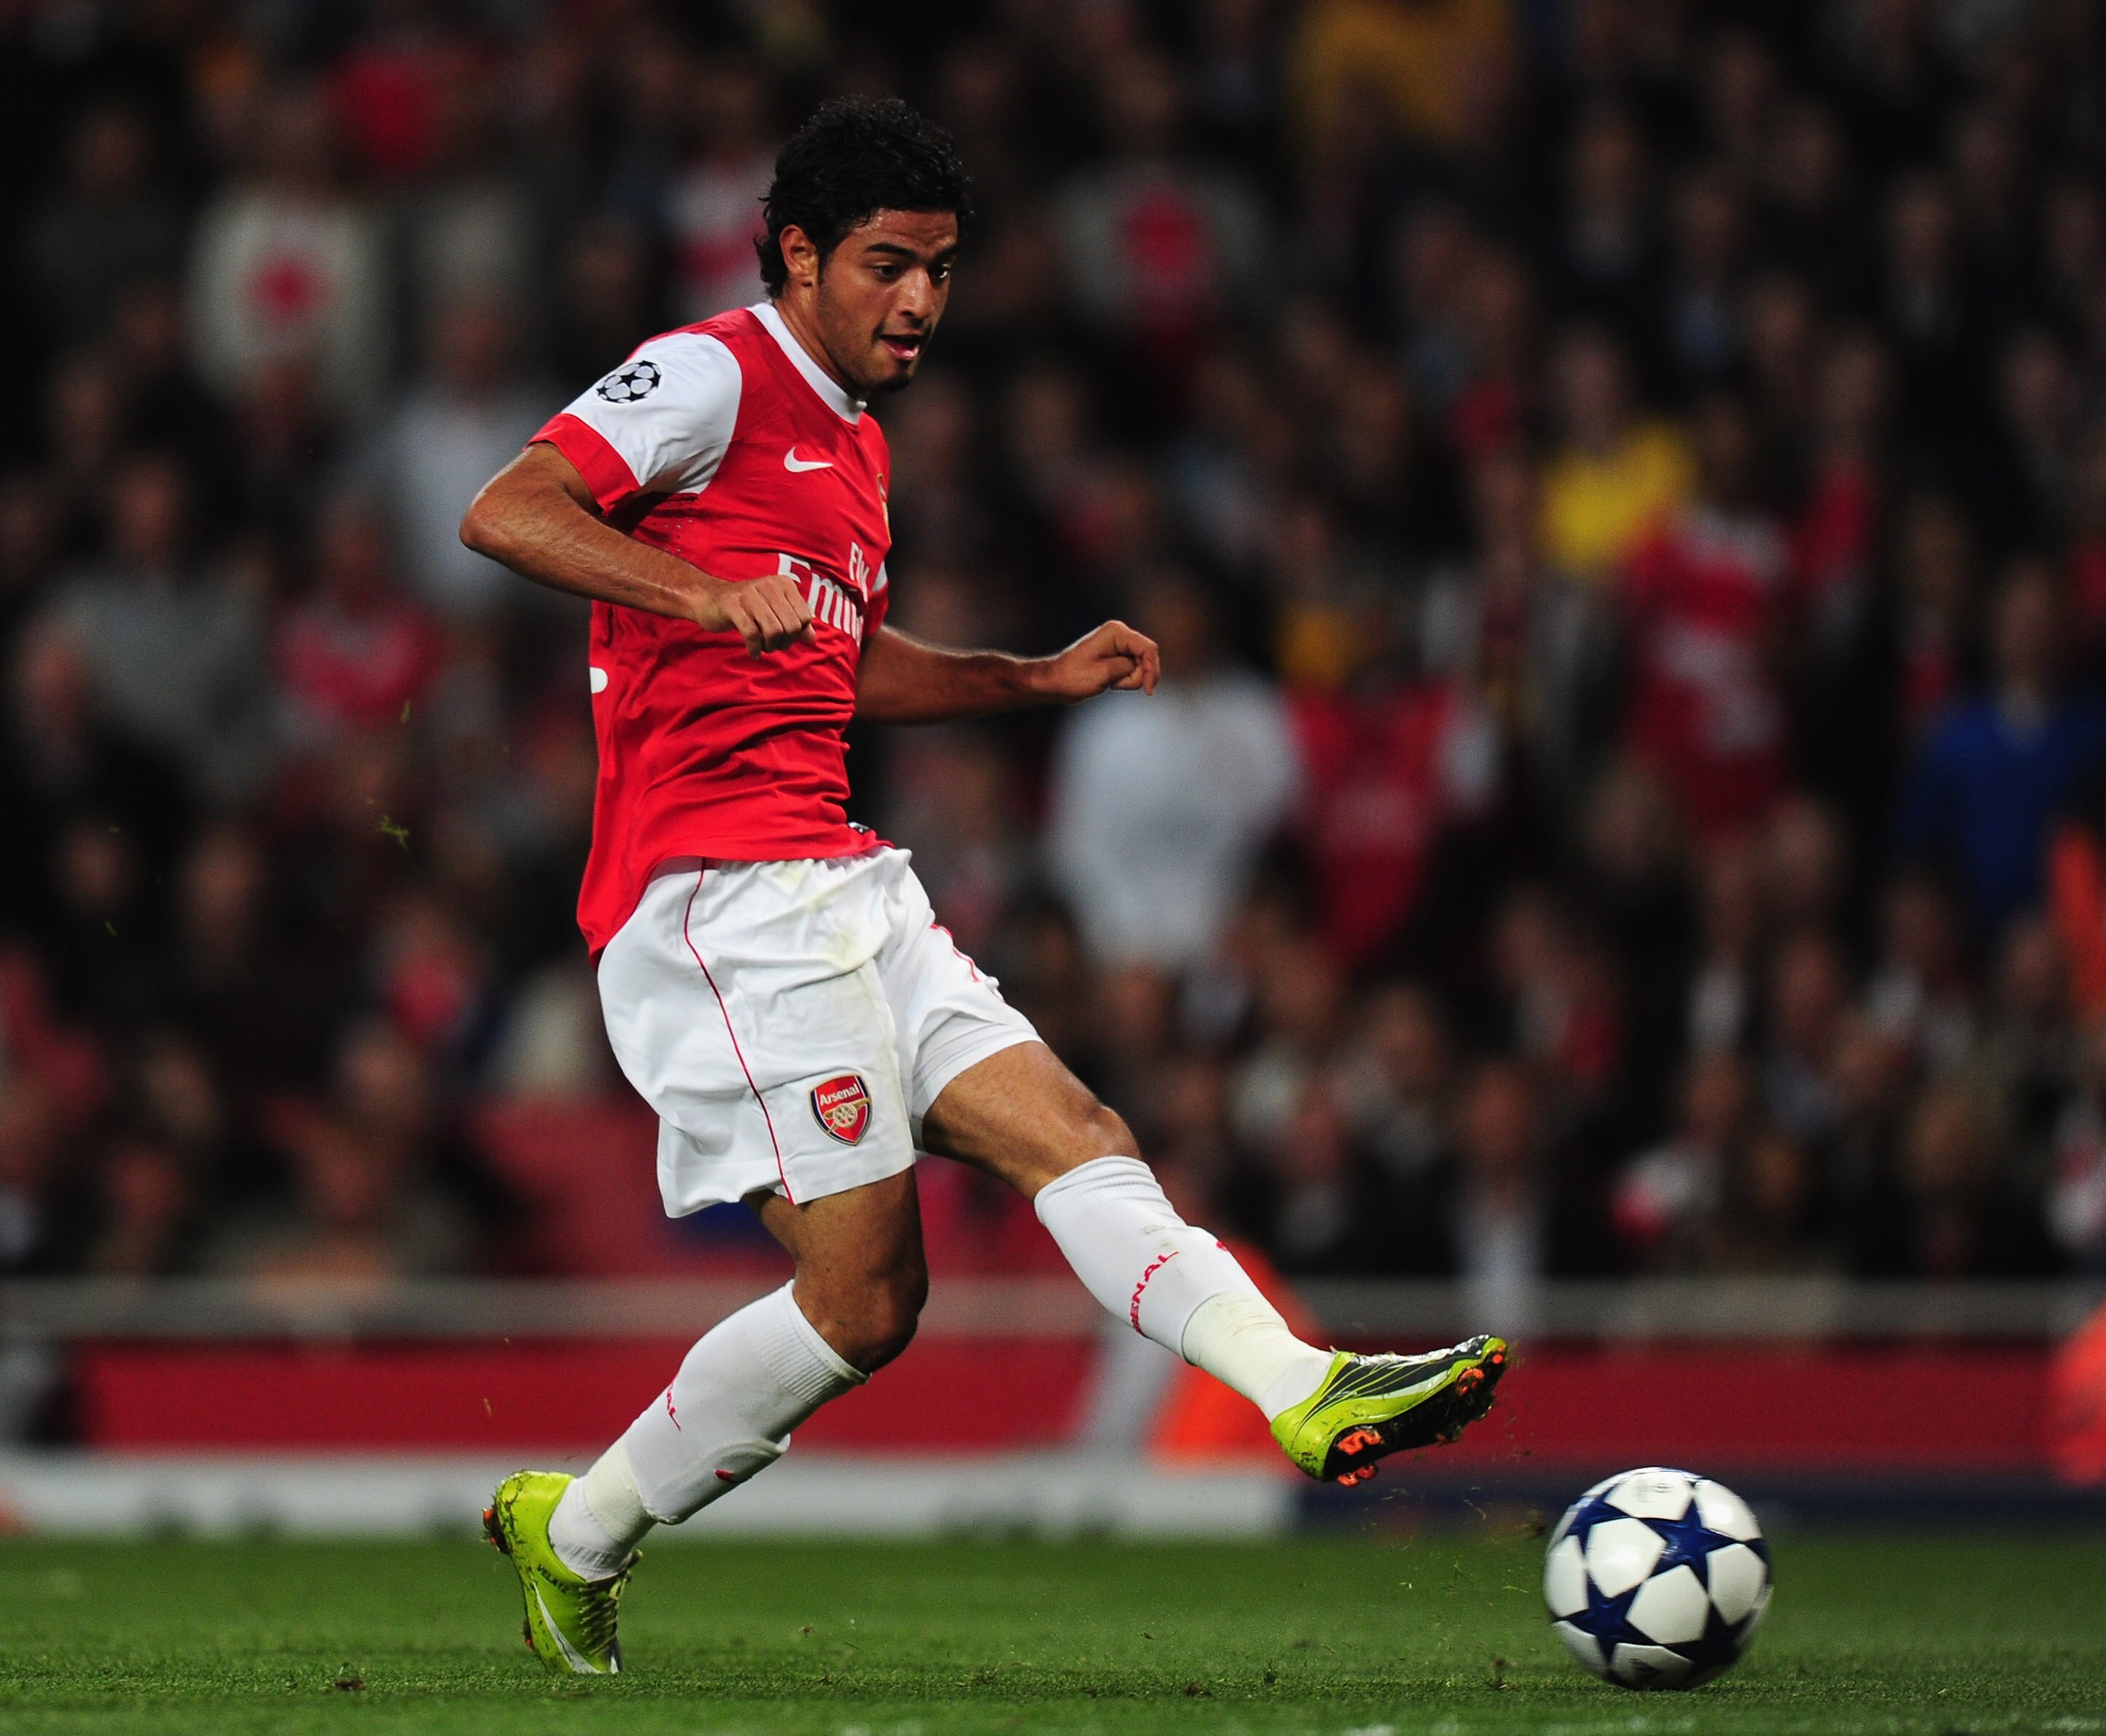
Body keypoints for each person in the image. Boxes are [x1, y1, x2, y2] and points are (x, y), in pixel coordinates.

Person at [457, 98, 1508, 1676]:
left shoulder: (861, 447)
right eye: (889, 266)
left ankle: (1302, 1386)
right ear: (799, 254)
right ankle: (581, 1528)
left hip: (840, 877)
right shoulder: (705, 373)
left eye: (941, 271)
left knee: (1078, 1131)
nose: (921, 304)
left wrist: (1027, 676)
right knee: (870, 1300)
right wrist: (694, 586)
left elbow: (834, 661)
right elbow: (509, 508)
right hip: (713, 898)